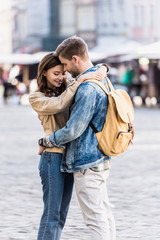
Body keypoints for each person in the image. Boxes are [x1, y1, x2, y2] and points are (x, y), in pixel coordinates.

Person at [40, 36, 116, 240]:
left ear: (75, 58)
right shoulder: (101, 78)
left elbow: (73, 130)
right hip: (99, 156)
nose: (64, 70)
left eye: (64, 64)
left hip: (87, 161)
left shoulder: (88, 88)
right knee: (104, 213)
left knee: (95, 218)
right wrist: (104, 67)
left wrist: (46, 141)